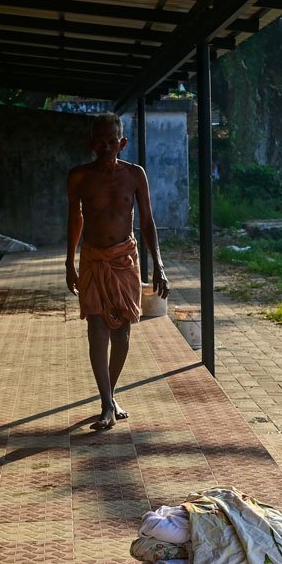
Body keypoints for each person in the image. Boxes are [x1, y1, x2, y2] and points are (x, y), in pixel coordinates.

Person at [66, 113, 169, 430]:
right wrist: (69, 261)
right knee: (96, 327)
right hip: (94, 258)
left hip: (125, 257)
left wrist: (159, 265)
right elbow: (76, 220)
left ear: (122, 143)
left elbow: (148, 221)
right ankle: (107, 402)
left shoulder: (135, 175)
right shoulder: (79, 177)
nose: (106, 147)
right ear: (90, 143)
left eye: (112, 141)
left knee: (122, 331)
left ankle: (110, 393)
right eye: (100, 141)